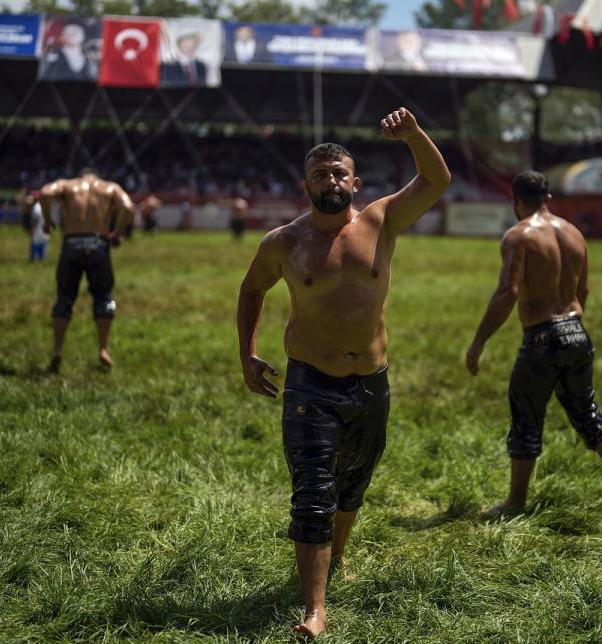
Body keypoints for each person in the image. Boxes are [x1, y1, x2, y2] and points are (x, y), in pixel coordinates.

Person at [237, 107, 450, 639]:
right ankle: (315, 610)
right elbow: (251, 290)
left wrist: (414, 134)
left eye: (339, 174)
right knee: (313, 488)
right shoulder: (284, 242)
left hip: (372, 380)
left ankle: (336, 559)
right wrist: (248, 352)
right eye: (319, 175)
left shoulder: (381, 220)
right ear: (304, 184)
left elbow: (435, 179)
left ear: (354, 182)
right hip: (311, 379)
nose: (330, 181)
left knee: (353, 481)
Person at [465, 171, 602, 519]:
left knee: (526, 418)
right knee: (587, 413)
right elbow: (584, 291)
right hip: (576, 330)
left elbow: (508, 292)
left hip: (541, 337)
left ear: (516, 201)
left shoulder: (518, 237)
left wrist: (479, 341)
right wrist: (572, 330)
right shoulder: (575, 234)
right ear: (548, 198)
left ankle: (515, 504)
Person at [38, 168, 133, 372]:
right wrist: (115, 234)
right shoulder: (109, 187)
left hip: (71, 243)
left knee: (64, 296)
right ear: (97, 176)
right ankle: (104, 348)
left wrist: (47, 222)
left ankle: (57, 350)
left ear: (80, 176)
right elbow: (128, 207)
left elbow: (45, 194)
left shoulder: (67, 185)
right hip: (98, 244)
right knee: (104, 296)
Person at [29, 192, 49, 263]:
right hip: (44, 229)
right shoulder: (46, 206)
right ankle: (42, 260)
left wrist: (32, 229)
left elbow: (35, 220)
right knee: (43, 245)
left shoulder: (36, 207)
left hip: (38, 229)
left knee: (35, 245)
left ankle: (33, 260)